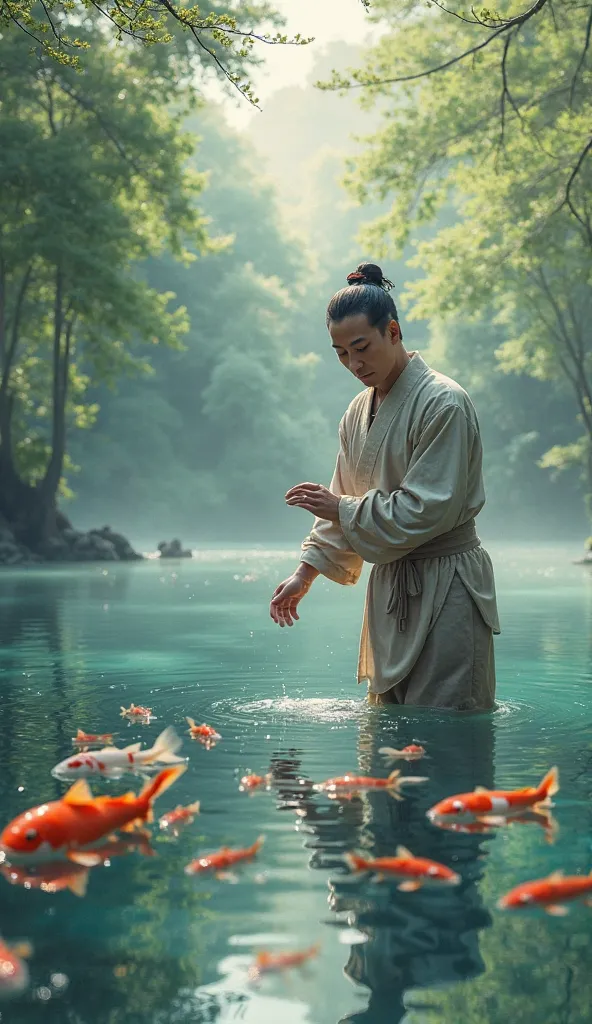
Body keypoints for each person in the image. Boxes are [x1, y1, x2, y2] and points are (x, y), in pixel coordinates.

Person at [269, 262, 500, 709]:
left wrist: (342, 510)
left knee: (447, 727)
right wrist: (304, 574)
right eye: (340, 353)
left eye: (362, 348)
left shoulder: (443, 401)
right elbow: (346, 496)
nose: (354, 364)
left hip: (447, 582)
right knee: (387, 736)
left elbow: (428, 508)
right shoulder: (357, 411)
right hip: (390, 586)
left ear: (393, 332)